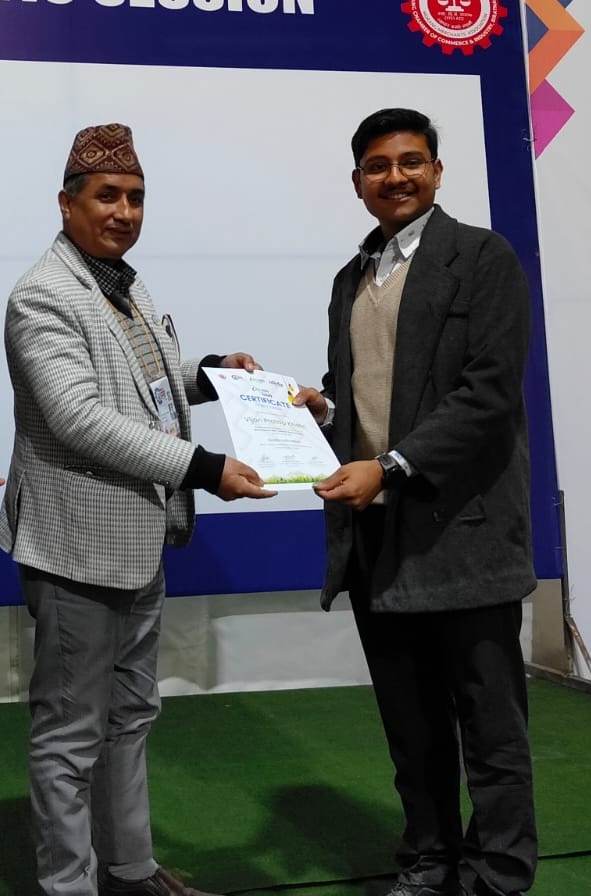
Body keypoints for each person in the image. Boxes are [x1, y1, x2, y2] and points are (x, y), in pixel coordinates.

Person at [0, 123, 273, 896]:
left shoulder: (122, 282)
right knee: (70, 733)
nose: (124, 212)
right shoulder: (43, 295)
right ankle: (69, 885)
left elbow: (143, 381)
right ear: (67, 204)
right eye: (107, 196)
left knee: (131, 714)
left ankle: (131, 870)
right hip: (76, 550)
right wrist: (205, 467)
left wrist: (215, 376)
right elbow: (79, 418)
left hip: (138, 541)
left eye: (136, 198)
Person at [298, 108, 537, 896]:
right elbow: (365, 393)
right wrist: (322, 410)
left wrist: (392, 465)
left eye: (410, 162)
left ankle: (498, 875)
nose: (394, 177)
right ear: (357, 181)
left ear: (436, 170)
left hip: (464, 533)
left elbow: (488, 394)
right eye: (377, 166)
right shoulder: (351, 278)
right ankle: (429, 862)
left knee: (490, 726)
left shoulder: (483, 257)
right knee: (412, 725)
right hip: (379, 538)